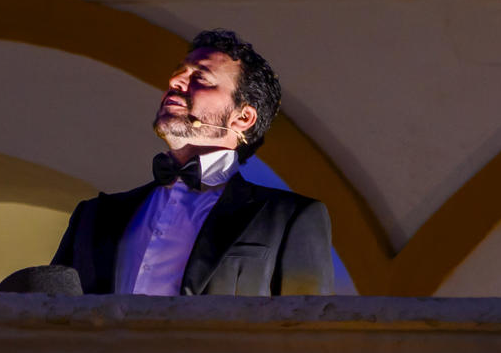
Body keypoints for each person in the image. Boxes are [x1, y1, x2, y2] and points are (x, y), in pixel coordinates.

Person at [45, 29, 332, 296]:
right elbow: (48, 319)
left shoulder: (289, 218)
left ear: (243, 117)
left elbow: (309, 336)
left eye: (201, 78)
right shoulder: (93, 217)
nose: (175, 82)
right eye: (178, 74)